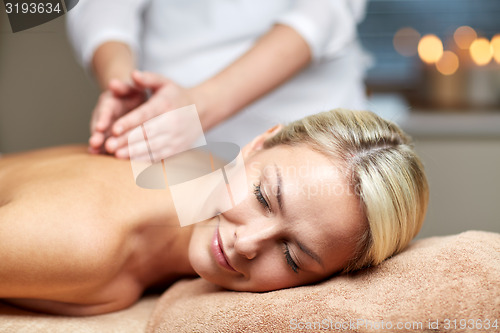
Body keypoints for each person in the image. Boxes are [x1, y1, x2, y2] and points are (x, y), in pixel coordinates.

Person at [0, 109, 429, 316]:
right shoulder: (84, 242)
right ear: (259, 141)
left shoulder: (194, 166)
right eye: (263, 198)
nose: (246, 243)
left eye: (292, 256)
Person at [66, 0, 369, 159]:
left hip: (310, 128)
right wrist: (123, 83)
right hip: (167, 132)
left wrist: (197, 107)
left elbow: (324, 12)